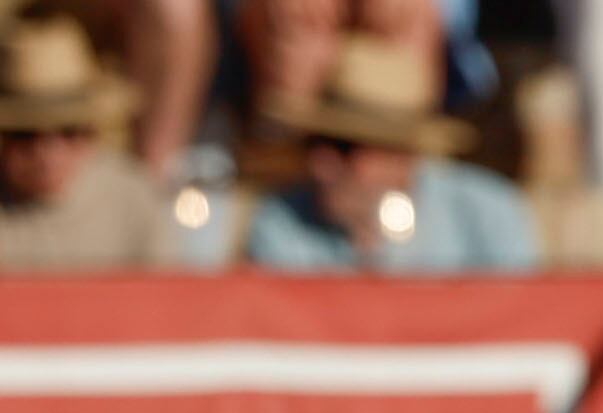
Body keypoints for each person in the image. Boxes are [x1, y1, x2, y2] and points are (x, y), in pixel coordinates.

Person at [240, 38, 537, 272]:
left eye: (346, 148)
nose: (321, 163)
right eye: (317, 142)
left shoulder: (487, 216)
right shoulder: (280, 222)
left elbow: (519, 326)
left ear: (403, 157)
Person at [0, 19, 172, 268]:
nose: (47, 151)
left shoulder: (133, 200)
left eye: (68, 131)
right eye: (25, 134)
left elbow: (166, 299)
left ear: (93, 133)